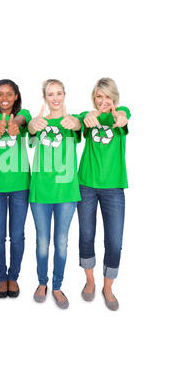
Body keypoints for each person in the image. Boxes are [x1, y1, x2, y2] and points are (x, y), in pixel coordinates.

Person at [77, 77, 131, 311]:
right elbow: (83, 122)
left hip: (113, 188)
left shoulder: (122, 112)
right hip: (86, 185)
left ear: (114, 97)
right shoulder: (88, 116)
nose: (104, 101)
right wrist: (89, 117)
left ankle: (108, 287)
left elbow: (123, 118)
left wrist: (119, 117)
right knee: (87, 235)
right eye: (99, 97)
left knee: (115, 241)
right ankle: (90, 280)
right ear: (94, 99)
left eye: (108, 96)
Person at [28, 79, 81, 309]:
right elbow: (29, 134)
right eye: (51, 94)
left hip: (67, 191)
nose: (55, 98)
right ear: (45, 98)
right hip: (41, 191)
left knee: (61, 242)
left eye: (59, 93)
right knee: (42, 242)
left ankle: (57, 285)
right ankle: (42, 283)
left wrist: (76, 122)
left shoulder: (72, 121)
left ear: (65, 95)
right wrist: (32, 125)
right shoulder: (38, 122)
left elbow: (79, 126)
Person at [0, 79, 31, 299]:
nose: (4, 98)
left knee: (18, 235)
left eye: (9, 94)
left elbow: (22, 119)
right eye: (0, 94)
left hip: (20, 185)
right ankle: (2, 277)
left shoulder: (25, 114)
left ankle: (14, 276)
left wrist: (15, 123)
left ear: (16, 97)